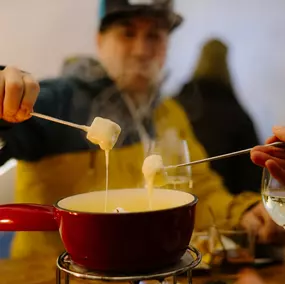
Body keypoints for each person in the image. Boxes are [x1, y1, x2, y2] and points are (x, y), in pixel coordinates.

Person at [0, 0, 281, 259]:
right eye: (127, 33)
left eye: (154, 36)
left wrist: (246, 213)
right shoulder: (58, 100)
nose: (142, 50)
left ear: (166, 46)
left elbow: (201, 191)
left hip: (144, 268)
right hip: (51, 274)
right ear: (100, 41)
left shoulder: (169, 113)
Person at [175, 39, 262, 195]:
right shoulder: (237, 114)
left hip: (179, 198)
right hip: (224, 207)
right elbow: (253, 174)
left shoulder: (176, 104)